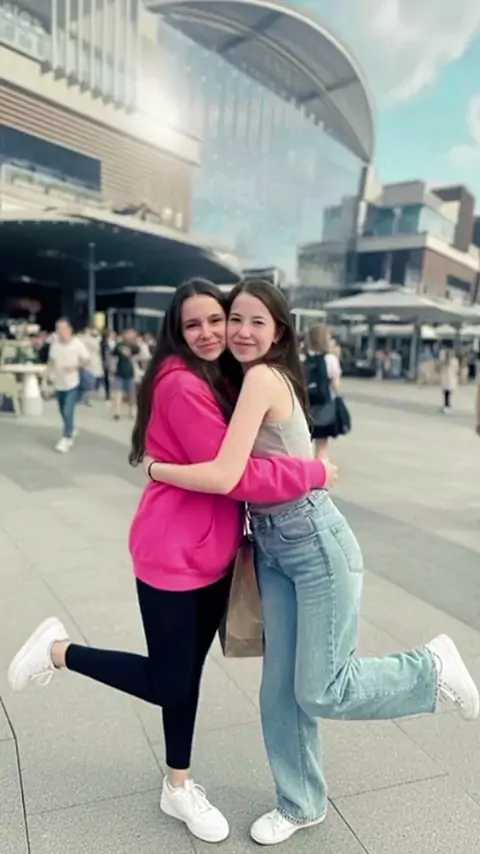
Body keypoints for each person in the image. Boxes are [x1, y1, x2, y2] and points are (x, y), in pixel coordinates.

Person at [142, 279, 479, 847]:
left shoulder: (261, 378)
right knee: (278, 692)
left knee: (323, 689)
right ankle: (301, 804)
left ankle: (431, 667)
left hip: (315, 542)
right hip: (273, 544)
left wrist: (154, 469)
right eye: (234, 319)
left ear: (279, 331)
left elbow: (226, 475)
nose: (241, 331)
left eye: (256, 322)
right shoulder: (241, 379)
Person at [7, 279, 332, 846]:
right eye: (193, 325)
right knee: (169, 680)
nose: (209, 333)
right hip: (173, 553)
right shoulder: (180, 383)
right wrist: (315, 471)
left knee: (183, 677)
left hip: (211, 554)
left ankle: (177, 786)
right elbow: (232, 475)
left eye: (216, 320)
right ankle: (58, 652)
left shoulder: (218, 375)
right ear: (176, 332)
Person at [48, 317, 89, 453]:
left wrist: (74, 366)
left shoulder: (77, 343)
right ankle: (70, 428)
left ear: (70, 329)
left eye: (63, 328)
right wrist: (48, 375)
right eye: (58, 329)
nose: (61, 331)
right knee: (62, 410)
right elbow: (52, 361)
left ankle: (67, 437)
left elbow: (86, 359)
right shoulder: (55, 345)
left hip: (72, 383)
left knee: (68, 410)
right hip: (59, 383)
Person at [305, 324, 343, 459]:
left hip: (305, 405)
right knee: (322, 446)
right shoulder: (330, 359)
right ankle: (320, 469)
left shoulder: (302, 357)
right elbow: (336, 384)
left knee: (303, 443)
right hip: (323, 405)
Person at [112, 329, 140, 419]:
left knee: (131, 394)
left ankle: (132, 411)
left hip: (130, 372)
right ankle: (117, 412)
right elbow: (113, 355)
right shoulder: (119, 345)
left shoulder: (135, 346)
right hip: (119, 372)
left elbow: (138, 355)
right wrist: (112, 367)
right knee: (118, 393)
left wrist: (135, 358)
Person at [439, 347, 459, 414]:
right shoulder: (454, 361)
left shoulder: (444, 361)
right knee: (448, 393)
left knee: (446, 394)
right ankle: (447, 405)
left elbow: (440, 369)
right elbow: (456, 369)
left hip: (445, 379)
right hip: (451, 378)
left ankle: (446, 405)